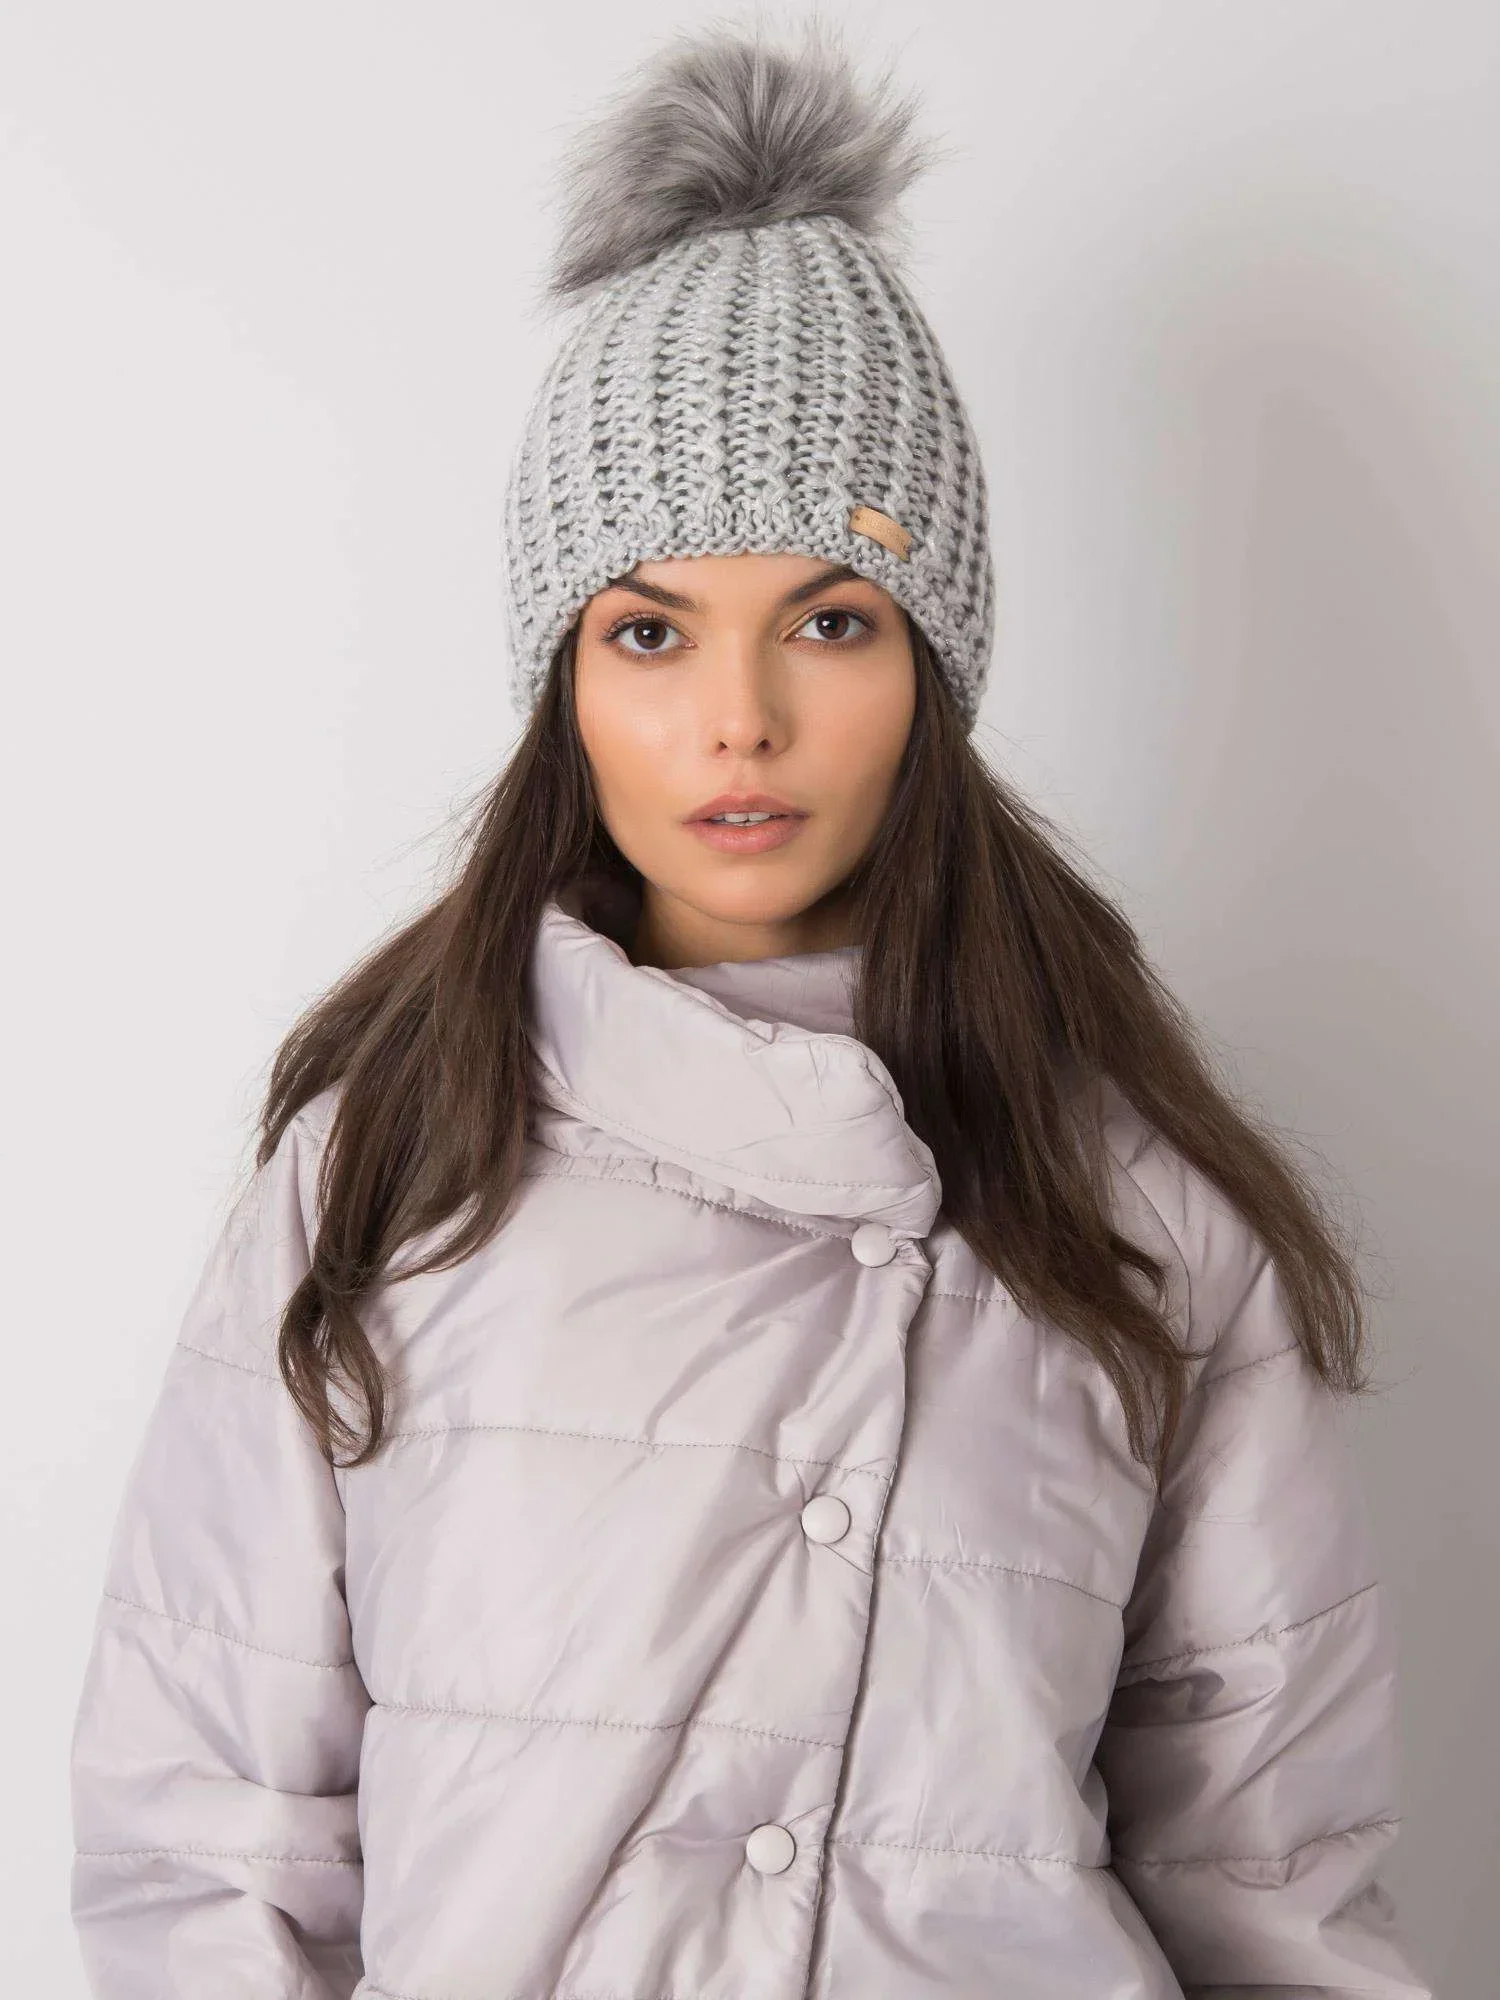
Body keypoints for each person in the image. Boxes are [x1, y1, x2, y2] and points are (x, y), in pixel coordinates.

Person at [69, 20, 1434, 1999]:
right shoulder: (390, 1169)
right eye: (649, 629)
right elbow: (207, 1858)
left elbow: (1275, 1892)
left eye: (830, 619)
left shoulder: (1139, 1211)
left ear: (931, 667)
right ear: (564, 678)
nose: (740, 718)